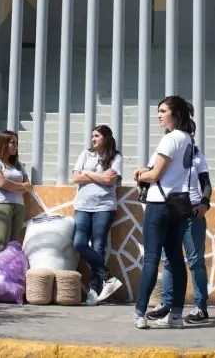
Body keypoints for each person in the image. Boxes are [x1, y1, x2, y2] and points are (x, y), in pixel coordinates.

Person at [132, 95, 194, 330]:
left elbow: (155, 174)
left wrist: (139, 174)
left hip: (159, 204)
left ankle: (140, 312)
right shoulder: (188, 139)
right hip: (178, 206)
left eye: (163, 111)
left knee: (151, 258)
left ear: (175, 114)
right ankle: (176, 315)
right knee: (177, 260)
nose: (159, 115)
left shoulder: (170, 140)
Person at [146, 126, 213, 325]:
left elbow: (206, 184)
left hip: (192, 212)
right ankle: (167, 304)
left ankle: (201, 307)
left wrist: (204, 203)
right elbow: (152, 173)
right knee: (168, 260)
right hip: (170, 211)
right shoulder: (163, 154)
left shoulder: (197, 156)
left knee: (195, 261)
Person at [71, 125, 123, 306]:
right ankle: (108, 277)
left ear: (106, 138)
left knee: (99, 246)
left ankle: (93, 291)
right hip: (83, 206)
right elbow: (75, 178)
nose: (93, 139)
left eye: (97, 136)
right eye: (92, 136)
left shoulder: (116, 157)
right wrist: (98, 175)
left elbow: (110, 181)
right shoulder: (86, 154)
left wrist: (87, 173)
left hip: (104, 207)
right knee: (79, 243)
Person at [0, 130, 32, 254]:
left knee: (13, 246)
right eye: (12, 142)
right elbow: (1, 182)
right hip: (1, 205)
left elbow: (28, 186)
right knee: (0, 244)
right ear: (3, 143)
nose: (15, 146)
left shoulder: (18, 165)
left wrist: (12, 186)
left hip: (19, 207)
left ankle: (8, 273)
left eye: (16, 143)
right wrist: (21, 187)